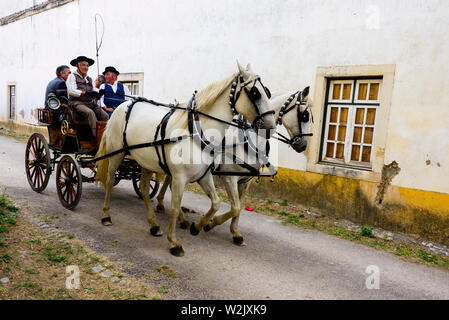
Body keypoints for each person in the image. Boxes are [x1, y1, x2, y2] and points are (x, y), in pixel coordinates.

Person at [66, 55, 108, 138]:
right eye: (83, 65)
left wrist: (99, 93)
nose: (86, 67)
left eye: (87, 65)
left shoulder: (89, 78)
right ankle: (98, 138)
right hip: (77, 103)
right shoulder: (72, 76)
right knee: (90, 113)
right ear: (77, 66)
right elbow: (71, 91)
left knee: (105, 115)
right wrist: (85, 93)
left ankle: (107, 136)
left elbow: (94, 90)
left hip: (90, 103)